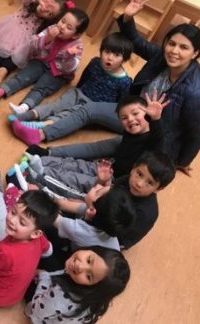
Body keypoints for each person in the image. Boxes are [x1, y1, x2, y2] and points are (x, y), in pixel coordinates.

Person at [38, 0, 200, 176]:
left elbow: (197, 133)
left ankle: (49, 162)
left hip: (153, 134)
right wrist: (128, 17)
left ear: (195, 53)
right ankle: (42, 135)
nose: (174, 51)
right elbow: (137, 43)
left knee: (112, 162)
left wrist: (181, 162)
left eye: (184, 48)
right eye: (171, 44)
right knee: (89, 110)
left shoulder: (197, 91)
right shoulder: (161, 56)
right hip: (133, 111)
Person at [9, 32, 133, 145]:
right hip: (79, 92)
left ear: (124, 60)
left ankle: (37, 126)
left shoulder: (125, 81)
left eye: (117, 55)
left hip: (93, 105)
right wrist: (77, 89)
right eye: (107, 52)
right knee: (56, 105)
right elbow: (85, 76)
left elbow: (119, 103)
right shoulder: (95, 62)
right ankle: (28, 115)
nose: (110, 57)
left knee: (67, 115)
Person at [27, 93, 168, 190]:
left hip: (115, 183)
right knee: (76, 164)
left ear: (147, 114)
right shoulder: (130, 131)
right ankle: (44, 157)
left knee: (73, 179)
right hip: (110, 167)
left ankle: (39, 175)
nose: (130, 119)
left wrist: (156, 119)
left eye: (135, 113)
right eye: (124, 118)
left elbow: (158, 141)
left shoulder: (152, 141)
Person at [52, 151, 175, 249]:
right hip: (99, 216)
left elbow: (113, 233)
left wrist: (89, 205)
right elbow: (104, 195)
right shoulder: (127, 180)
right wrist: (102, 181)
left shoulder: (145, 213)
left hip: (111, 236)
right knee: (69, 203)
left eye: (150, 182)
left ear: (158, 188)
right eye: (139, 174)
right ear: (133, 168)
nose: (139, 183)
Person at [0, 0, 65, 106]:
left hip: (21, 49)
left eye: (50, 14)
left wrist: (50, 36)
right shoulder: (28, 6)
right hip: (5, 39)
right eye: (48, 5)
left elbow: (40, 42)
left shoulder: (42, 25)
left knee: (2, 72)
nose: (46, 10)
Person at [0, 187, 59, 307]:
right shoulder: (39, 239)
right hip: (14, 297)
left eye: (22, 222)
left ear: (36, 233)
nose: (12, 220)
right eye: (13, 212)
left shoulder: (5, 251)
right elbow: (49, 250)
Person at [0, 6, 89, 107]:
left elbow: (72, 68)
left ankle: (25, 106)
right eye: (63, 21)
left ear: (75, 35)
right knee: (23, 76)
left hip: (58, 73)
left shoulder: (77, 46)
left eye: (68, 27)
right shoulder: (51, 29)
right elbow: (33, 43)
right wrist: (47, 38)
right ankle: (0, 92)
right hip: (41, 61)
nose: (62, 26)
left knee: (42, 87)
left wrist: (69, 57)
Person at [25, 246, 130, 323]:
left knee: (25, 274)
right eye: (89, 260)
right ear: (93, 249)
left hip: (40, 312)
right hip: (58, 308)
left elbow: (35, 312)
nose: (80, 267)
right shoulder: (99, 298)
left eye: (89, 276)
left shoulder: (60, 295)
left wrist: (43, 277)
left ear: (92, 288)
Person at [54, 185, 136, 251]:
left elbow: (51, 215)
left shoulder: (81, 231)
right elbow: (63, 204)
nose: (98, 185)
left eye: (98, 190)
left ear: (93, 210)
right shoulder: (99, 215)